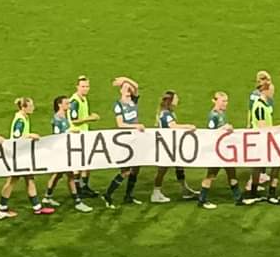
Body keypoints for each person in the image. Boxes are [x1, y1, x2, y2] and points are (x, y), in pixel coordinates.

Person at [0, 98, 54, 215]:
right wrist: (30, 135)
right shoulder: (20, 120)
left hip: (22, 154)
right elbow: (16, 137)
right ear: (24, 107)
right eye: (30, 106)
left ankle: (36, 206)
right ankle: (3, 206)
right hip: (18, 155)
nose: (33, 107)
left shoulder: (24, 117)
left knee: (28, 179)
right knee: (13, 180)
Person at [42, 96, 93, 213]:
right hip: (60, 152)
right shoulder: (57, 119)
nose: (69, 105)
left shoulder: (65, 117)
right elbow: (56, 135)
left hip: (64, 150)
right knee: (70, 176)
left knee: (58, 175)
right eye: (67, 103)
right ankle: (77, 201)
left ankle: (47, 197)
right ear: (60, 105)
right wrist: (70, 131)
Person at [244, 79, 280, 205]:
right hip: (262, 141)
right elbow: (262, 127)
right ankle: (271, 194)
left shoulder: (265, 105)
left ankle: (254, 193)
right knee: (275, 164)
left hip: (265, 140)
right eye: (272, 90)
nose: (273, 92)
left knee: (259, 167)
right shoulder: (259, 107)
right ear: (265, 90)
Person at [151, 91, 199, 203]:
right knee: (162, 170)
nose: (178, 100)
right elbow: (173, 126)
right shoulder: (166, 114)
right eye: (176, 98)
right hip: (167, 146)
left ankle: (185, 190)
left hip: (171, 144)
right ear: (170, 100)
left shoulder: (167, 113)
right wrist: (188, 126)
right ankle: (156, 193)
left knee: (179, 166)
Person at [103, 77, 144, 207]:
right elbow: (120, 124)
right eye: (125, 88)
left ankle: (128, 196)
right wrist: (135, 126)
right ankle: (108, 195)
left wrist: (125, 79)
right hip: (125, 140)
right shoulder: (118, 105)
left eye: (129, 88)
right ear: (120, 91)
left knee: (136, 169)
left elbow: (136, 86)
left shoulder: (133, 101)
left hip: (136, 139)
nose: (129, 89)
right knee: (125, 171)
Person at [201, 92, 242, 207]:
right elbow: (211, 133)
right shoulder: (213, 115)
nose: (226, 103)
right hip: (216, 151)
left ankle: (238, 198)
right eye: (223, 101)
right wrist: (224, 128)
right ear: (215, 101)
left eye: (226, 101)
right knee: (211, 175)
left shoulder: (222, 114)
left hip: (224, 150)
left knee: (232, 173)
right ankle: (202, 200)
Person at [67, 75, 101, 198]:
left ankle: (84, 186)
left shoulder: (84, 99)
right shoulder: (74, 101)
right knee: (78, 163)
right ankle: (77, 188)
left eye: (87, 86)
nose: (85, 89)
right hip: (76, 136)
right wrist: (90, 118)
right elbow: (74, 120)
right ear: (77, 87)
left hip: (84, 135)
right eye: (83, 86)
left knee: (87, 163)